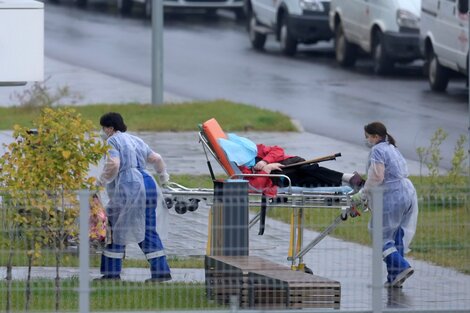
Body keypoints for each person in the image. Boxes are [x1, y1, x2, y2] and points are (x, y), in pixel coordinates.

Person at [95, 112, 171, 282]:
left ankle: (111, 273)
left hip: (131, 187)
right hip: (149, 184)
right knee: (148, 229)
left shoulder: (112, 141)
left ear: (110, 128)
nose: (102, 131)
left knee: (115, 227)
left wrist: (101, 181)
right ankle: (161, 272)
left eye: (103, 127)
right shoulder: (135, 140)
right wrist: (163, 176)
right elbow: (156, 158)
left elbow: (114, 164)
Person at [356, 121, 418, 288]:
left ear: (376, 136)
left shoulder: (378, 150)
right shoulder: (391, 147)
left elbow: (377, 177)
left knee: (380, 235)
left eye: (367, 136)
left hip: (393, 195)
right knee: (396, 233)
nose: (366, 140)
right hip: (408, 192)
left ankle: (402, 267)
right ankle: (394, 278)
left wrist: (364, 192)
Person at [219, 133, 365, 197]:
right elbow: (256, 185)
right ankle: (347, 179)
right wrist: (267, 170)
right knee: (309, 173)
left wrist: (266, 162)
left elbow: (278, 150)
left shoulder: (255, 150)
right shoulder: (243, 169)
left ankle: (348, 180)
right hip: (282, 177)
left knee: (308, 169)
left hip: (290, 164)